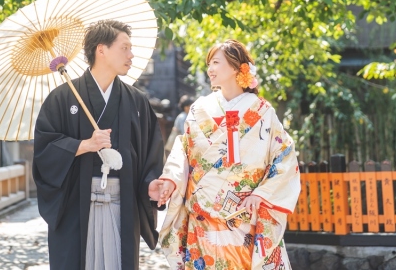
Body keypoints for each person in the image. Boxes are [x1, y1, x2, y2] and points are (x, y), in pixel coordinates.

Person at [156, 40, 300, 270]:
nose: (209, 69)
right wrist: (172, 179)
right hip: (202, 218)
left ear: (236, 67)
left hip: (243, 217)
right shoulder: (199, 109)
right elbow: (183, 151)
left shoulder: (262, 111)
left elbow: (284, 156)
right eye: (208, 63)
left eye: (215, 62)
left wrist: (262, 194)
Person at [33, 19, 165, 270]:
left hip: (122, 202)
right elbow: (44, 152)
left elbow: (151, 154)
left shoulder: (137, 102)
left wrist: (150, 184)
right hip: (75, 205)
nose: (131, 55)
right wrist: (83, 145)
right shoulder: (61, 99)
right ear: (101, 50)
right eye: (124, 47)